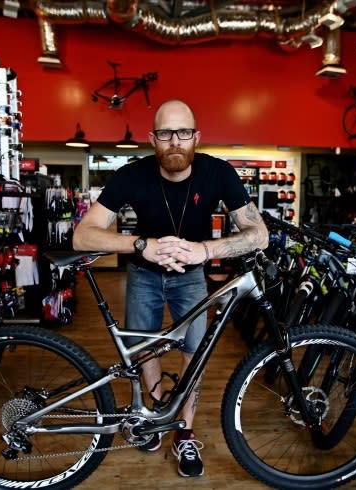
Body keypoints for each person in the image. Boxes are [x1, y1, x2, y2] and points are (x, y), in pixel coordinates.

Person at [72, 99, 269, 478]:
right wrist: (143, 245)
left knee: (194, 353)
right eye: (165, 133)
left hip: (191, 274)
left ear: (197, 136)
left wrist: (203, 250)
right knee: (144, 347)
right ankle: (157, 415)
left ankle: (184, 429)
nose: (174, 141)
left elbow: (258, 234)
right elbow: (83, 235)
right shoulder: (132, 174)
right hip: (144, 273)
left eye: (182, 133)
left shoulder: (218, 173)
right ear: (152, 138)